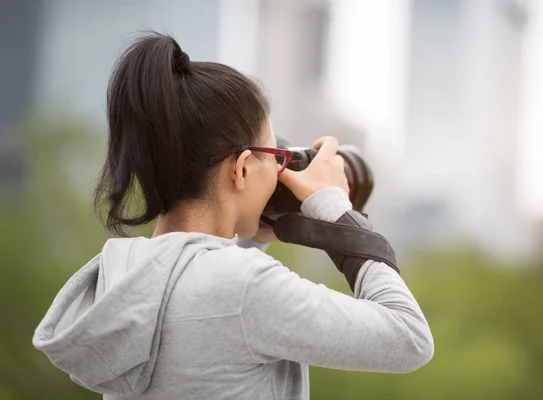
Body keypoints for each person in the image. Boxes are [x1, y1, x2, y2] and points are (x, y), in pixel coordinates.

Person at [32, 32, 433, 400]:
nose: (281, 172)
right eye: (277, 157)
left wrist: (249, 233)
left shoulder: (122, 276)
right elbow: (409, 338)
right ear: (240, 169)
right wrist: (334, 210)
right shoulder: (244, 287)